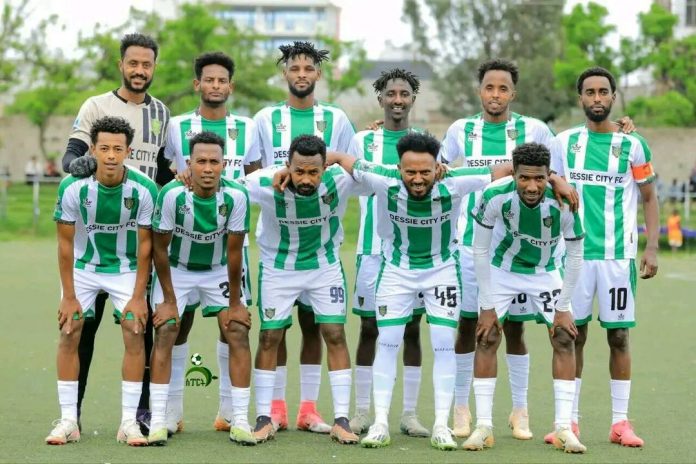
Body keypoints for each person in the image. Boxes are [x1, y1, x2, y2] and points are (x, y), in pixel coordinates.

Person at [329, 132, 512, 450]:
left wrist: (556, 181)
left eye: (425, 171)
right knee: (387, 341)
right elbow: (341, 158)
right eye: (410, 172)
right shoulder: (383, 178)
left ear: (438, 167)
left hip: (441, 271)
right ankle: (381, 423)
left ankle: (441, 424)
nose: (417, 179)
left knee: (443, 342)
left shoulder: (455, 180)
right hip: (396, 271)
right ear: (398, 168)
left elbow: (508, 168)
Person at [440, 59, 556, 440]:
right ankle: (461, 407)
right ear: (479, 91)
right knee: (468, 327)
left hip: (515, 250)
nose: (495, 95)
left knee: (515, 329)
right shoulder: (461, 130)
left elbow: (555, 171)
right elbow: (439, 172)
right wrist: (486, 175)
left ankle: (519, 409)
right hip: (469, 245)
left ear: (513, 93)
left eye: (503, 88)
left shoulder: (534, 129)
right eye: (489, 88)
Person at [60, 32, 170, 433]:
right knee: (81, 331)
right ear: (121, 65)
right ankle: (72, 416)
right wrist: (77, 167)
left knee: (141, 329)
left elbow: (162, 168)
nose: (139, 70)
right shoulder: (96, 106)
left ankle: (139, 416)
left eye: (146, 64)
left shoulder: (161, 112)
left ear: (153, 67)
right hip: (94, 236)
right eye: (133, 63)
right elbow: (72, 154)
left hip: (137, 238)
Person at [547, 66, 659, 448]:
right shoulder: (564, 142)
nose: (597, 98)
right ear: (580, 98)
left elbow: (649, 196)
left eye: (603, 92)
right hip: (573, 255)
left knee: (619, 336)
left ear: (613, 97)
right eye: (590, 92)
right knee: (571, 336)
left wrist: (652, 246)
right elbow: (547, 181)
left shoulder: (634, 145)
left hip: (617, 258)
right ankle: (569, 422)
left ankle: (620, 423)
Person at [252, 41, 355, 433]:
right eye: (294, 68)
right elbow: (251, 170)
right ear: (285, 73)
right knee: (273, 332)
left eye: (308, 68)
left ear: (318, 74)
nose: (301, 75)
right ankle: (274, 410)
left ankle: (309, 409)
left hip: (322, 247)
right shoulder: (265, 118)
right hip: (277, 246)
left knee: (318, 327)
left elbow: (350, 166)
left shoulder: (336, 119)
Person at [462, 142, 586, 453]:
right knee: (487, 336)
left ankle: (563, 428)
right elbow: (480, 250)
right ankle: (483, 427)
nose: (532, 187)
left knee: (564, 336)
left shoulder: (564, 201)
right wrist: (487, 307)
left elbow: (575, 257)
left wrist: (563, 307)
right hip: (503, 268)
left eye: (540, 179)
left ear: (549, 176)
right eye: (524, 178)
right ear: (513, 174)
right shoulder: (494, 195)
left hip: (545, 270)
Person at [162, 51, 261, 435]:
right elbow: (168, 172)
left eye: (222, 80)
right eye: (209, 79)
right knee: (178, 323)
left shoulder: (248, 127)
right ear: (197, 84)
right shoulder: (177, 126)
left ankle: (230, 412)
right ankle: (172, 412)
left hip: (230, 243)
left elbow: (254, 176)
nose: (215, 86)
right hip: (185, 243)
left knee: (232, 326)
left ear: (230, 86)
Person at [242, 134, 362, 445]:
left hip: (324, 267)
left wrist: (339, 156)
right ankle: (265, 417)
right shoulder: (265, 182)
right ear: (287, 166)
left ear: (325, 168)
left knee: (334, 333)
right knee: (270, 336)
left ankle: (340, 419)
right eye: (299, 171)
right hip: (278, 268)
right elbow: (225, 186)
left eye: (313, 172)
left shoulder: (339, 179)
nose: (306, 179)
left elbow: (374, 174)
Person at [46, 116, 157, 446]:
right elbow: (65, 244)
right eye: (104, 148)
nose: (111, 155)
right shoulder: (72, 186)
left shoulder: (144, 188)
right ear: (92, 150)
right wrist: (69, 296)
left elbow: (146, 246)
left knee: (135, 330)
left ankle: (129, 423)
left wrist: (139, 296)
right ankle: (69, 421)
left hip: (125, 268)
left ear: (128, 152)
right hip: (83, 267)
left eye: (118, 149)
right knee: (70, 330)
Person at [148, 131, 253, 446]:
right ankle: (161, 418)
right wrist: (169, 300)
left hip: (216, 269)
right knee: (167, 328)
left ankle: (239, 418)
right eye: (201, 161)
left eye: (214, 162)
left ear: (224, 165)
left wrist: (235, 303)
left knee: (237, 329)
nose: (207, 168)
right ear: (189, 164)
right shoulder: (171, 195)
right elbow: (159, 249)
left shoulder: (236, 196)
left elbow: (234, 252)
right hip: (177, 269)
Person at [347, 68, 428, 437]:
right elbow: (348, 178)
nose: (398, 100)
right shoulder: (363, 140)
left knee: (412, 329)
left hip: (413, 253)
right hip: (371, 250)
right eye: (391, 94)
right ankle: (362, 411)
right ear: (380, 98)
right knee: (368, 328)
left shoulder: (425, 141)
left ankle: (409, 414)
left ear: (413, 99)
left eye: (404, 94)